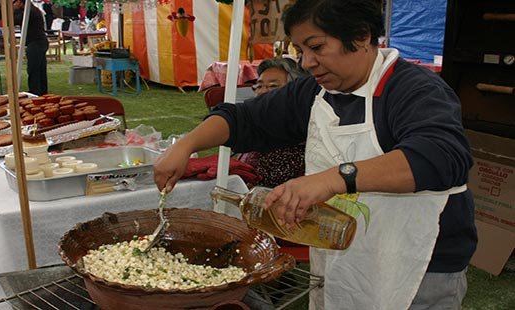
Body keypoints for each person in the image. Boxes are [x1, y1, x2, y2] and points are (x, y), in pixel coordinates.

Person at [153, 0, 477, 309]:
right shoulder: (315, 92)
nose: (307, 62)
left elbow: (442, 157)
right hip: (339, 251)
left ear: (362, 36)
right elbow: (245, 119)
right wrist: (186, 145)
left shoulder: (412, 89)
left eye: (317, 47)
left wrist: (333, 179)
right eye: (300, 51)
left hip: (417, 265)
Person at [237, 57, 307, 188]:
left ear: (297, 93)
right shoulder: (257, 126)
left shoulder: (298, 142)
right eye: (259, 86)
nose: (262, 91)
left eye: (273, 86)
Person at [14, 0, 48, 96]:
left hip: (36, 42)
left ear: (20, 2)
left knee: (34, 69)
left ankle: (35, 91)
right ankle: (42, 91)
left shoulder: (29, 11)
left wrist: (13, 10)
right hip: (38, 42)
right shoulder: (31, 10)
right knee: (40, 69)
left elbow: (15, 20)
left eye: (14, 3)